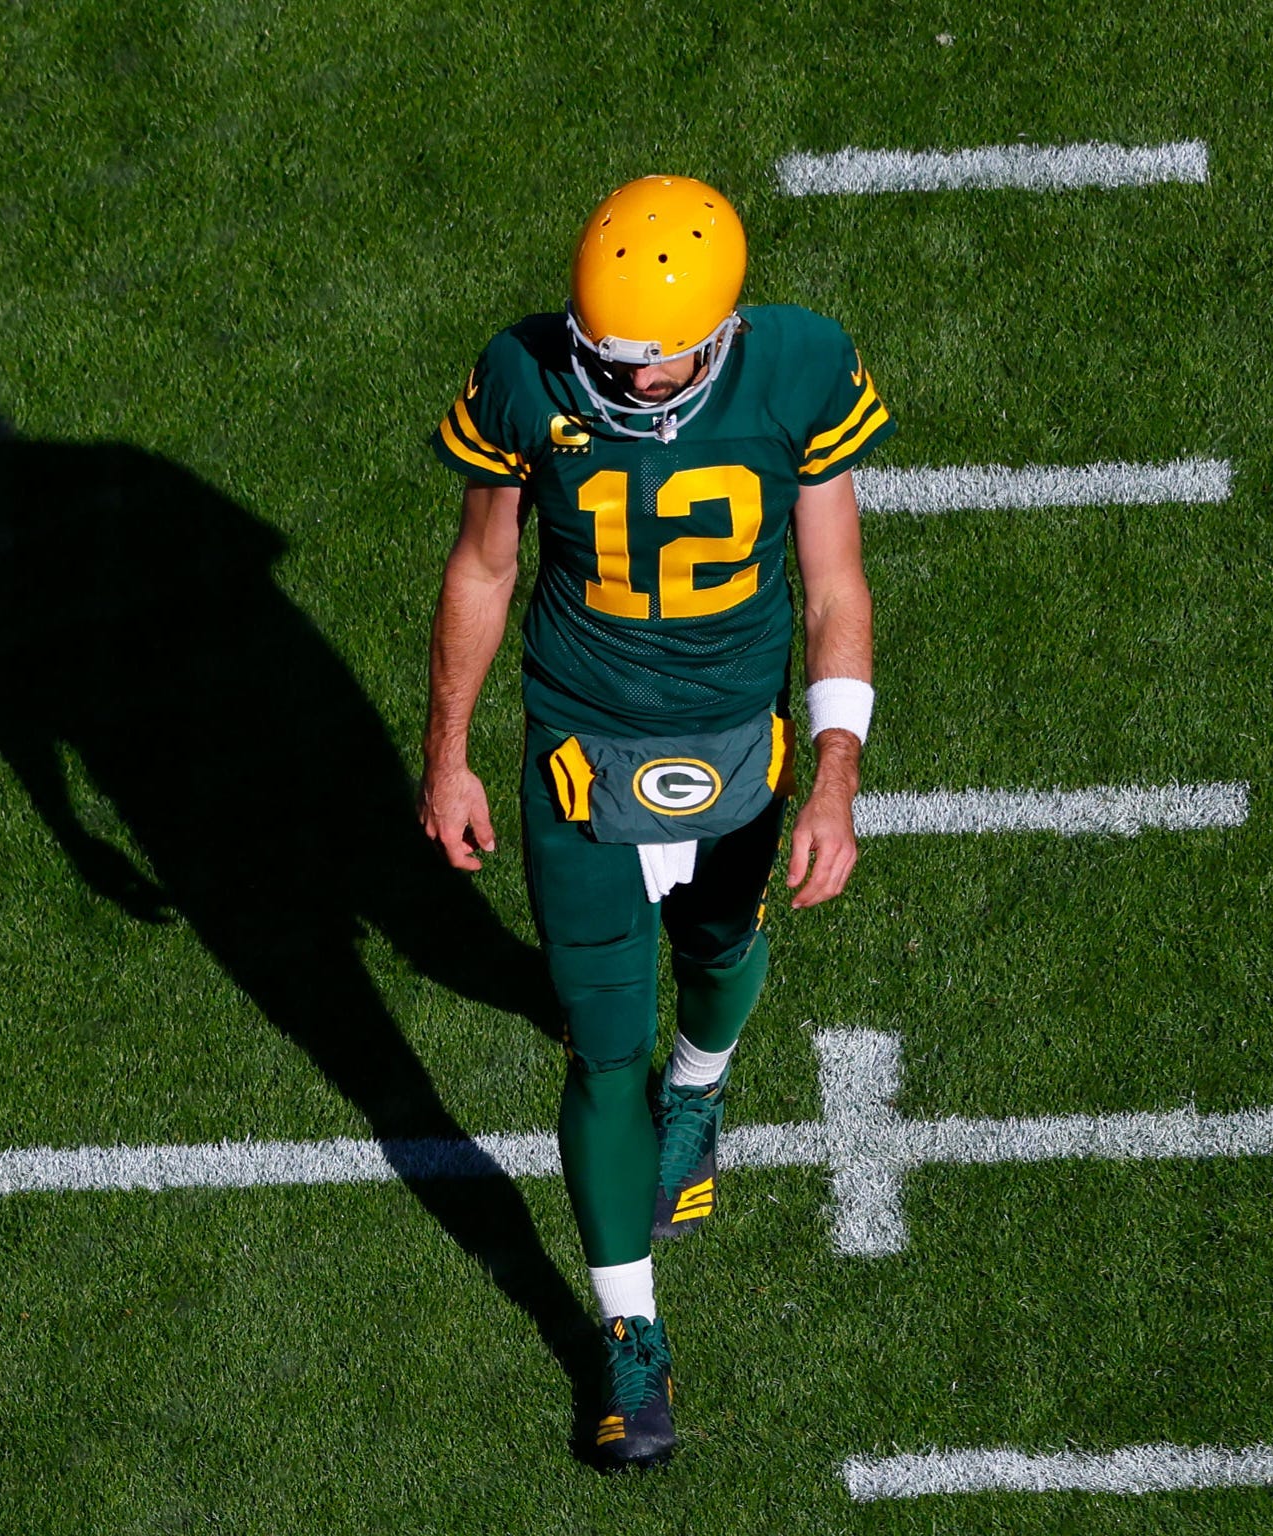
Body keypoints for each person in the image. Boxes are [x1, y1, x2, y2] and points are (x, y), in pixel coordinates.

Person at [418, 175, 893, 1469]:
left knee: (726, 951)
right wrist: (447, 753)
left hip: (743, 741)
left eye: (657, 358)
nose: (628, 383)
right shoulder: (528, 379)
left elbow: (835, 583)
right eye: (608, 356)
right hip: (582, 749)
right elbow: (484, 566)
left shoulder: (795, 367)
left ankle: (706, 1084)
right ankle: (633, 1334)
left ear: (725, 330)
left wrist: (838, 771)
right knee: (596, 1046)